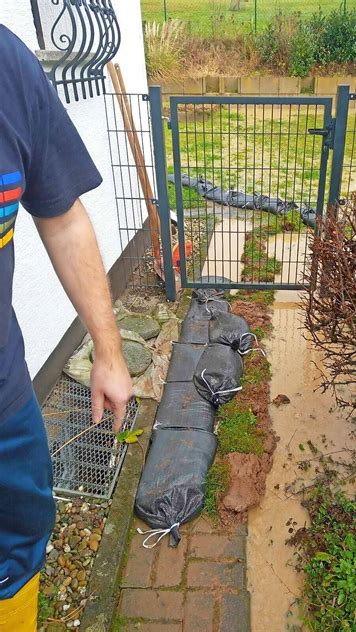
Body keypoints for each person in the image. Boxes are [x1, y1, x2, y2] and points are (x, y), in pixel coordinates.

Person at [0, 25, 133, 631]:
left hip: (6, 404)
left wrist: (108, 350)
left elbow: (62, 217)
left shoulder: (7, 64)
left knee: (18, 547)